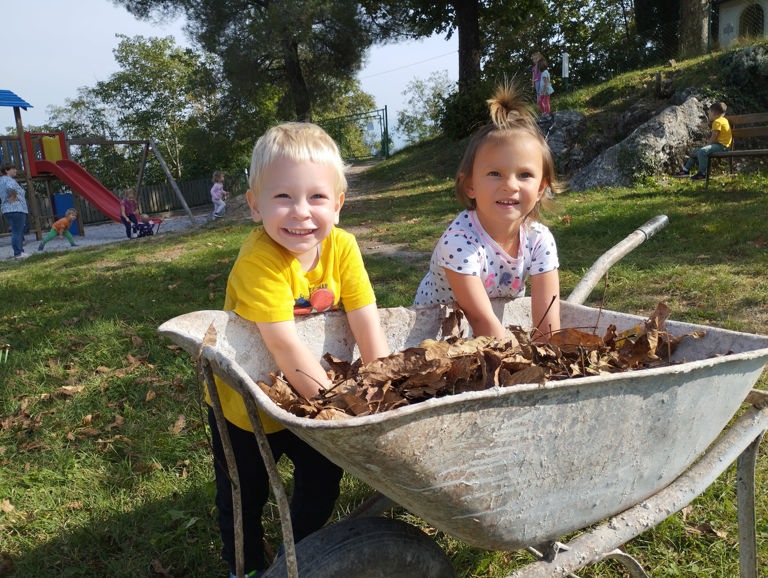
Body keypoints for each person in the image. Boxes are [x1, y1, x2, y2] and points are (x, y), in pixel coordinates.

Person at [209, 122, 390, 578]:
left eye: (316, 197)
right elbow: (284, 344)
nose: (300, 213)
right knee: (243, 492)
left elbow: (365, 318)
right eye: (282, 197)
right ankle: (244, 567)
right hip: (246, 403)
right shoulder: (259, 262)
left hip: (308, 394)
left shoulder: (343, 247)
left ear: (339, 203)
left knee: (323, 479)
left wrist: (384, 386)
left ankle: (299, 552)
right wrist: (336, 413)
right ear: (254, 206)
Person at [414, 83, 562, 342]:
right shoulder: (460, 242)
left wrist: (550, 362)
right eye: (495, 174)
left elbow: (547, 323)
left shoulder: (539, 240)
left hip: (491, 337)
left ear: (540, 188)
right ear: (470, 185)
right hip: (435, 338)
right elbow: (482, 321)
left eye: (525, 175)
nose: (510, 185)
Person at [673, 102, 732, 181]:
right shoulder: (723, 120)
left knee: (702, 151)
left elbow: (714, 135)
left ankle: (702, 174)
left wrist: (707, 145)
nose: (708, 115)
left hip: (722, 146)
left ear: (715, 113)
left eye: (709, 113)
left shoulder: (717, 122)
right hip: (721, 146)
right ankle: (685, 170)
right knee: (695, 151)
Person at [0, 164, 30, 260]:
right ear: (6, 170)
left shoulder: (2, 180)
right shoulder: (8, 180)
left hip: (8, 209)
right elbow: (10, 188)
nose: (15, 170)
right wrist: (13, 196)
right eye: (13, 169)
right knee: (17, 232)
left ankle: (20, 252)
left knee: (17, 231)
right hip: (15, 208)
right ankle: (18, 253)